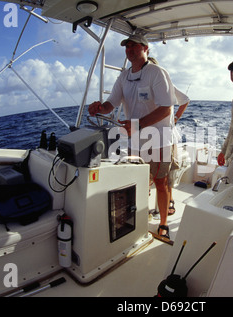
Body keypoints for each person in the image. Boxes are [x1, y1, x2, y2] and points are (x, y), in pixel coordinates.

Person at [88, 34, 177, 241]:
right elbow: (112, 103)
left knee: (161, 182)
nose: (129, 50)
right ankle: (141, 218)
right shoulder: (123, 76)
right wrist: (100, 107)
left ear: (146, 48)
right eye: (127, 47)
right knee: (139, 181)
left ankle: (163, 224)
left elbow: (167, 109)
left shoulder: (156, 72)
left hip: (160, 138)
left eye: (134, 46)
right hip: (136, 141)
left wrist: (137, 124)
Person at [147, 56, 190, 216]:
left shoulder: (165, 83)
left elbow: (184, 100)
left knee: (165, 173)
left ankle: (169, 200)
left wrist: (176, 118)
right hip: (146, 138)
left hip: (166, 137)